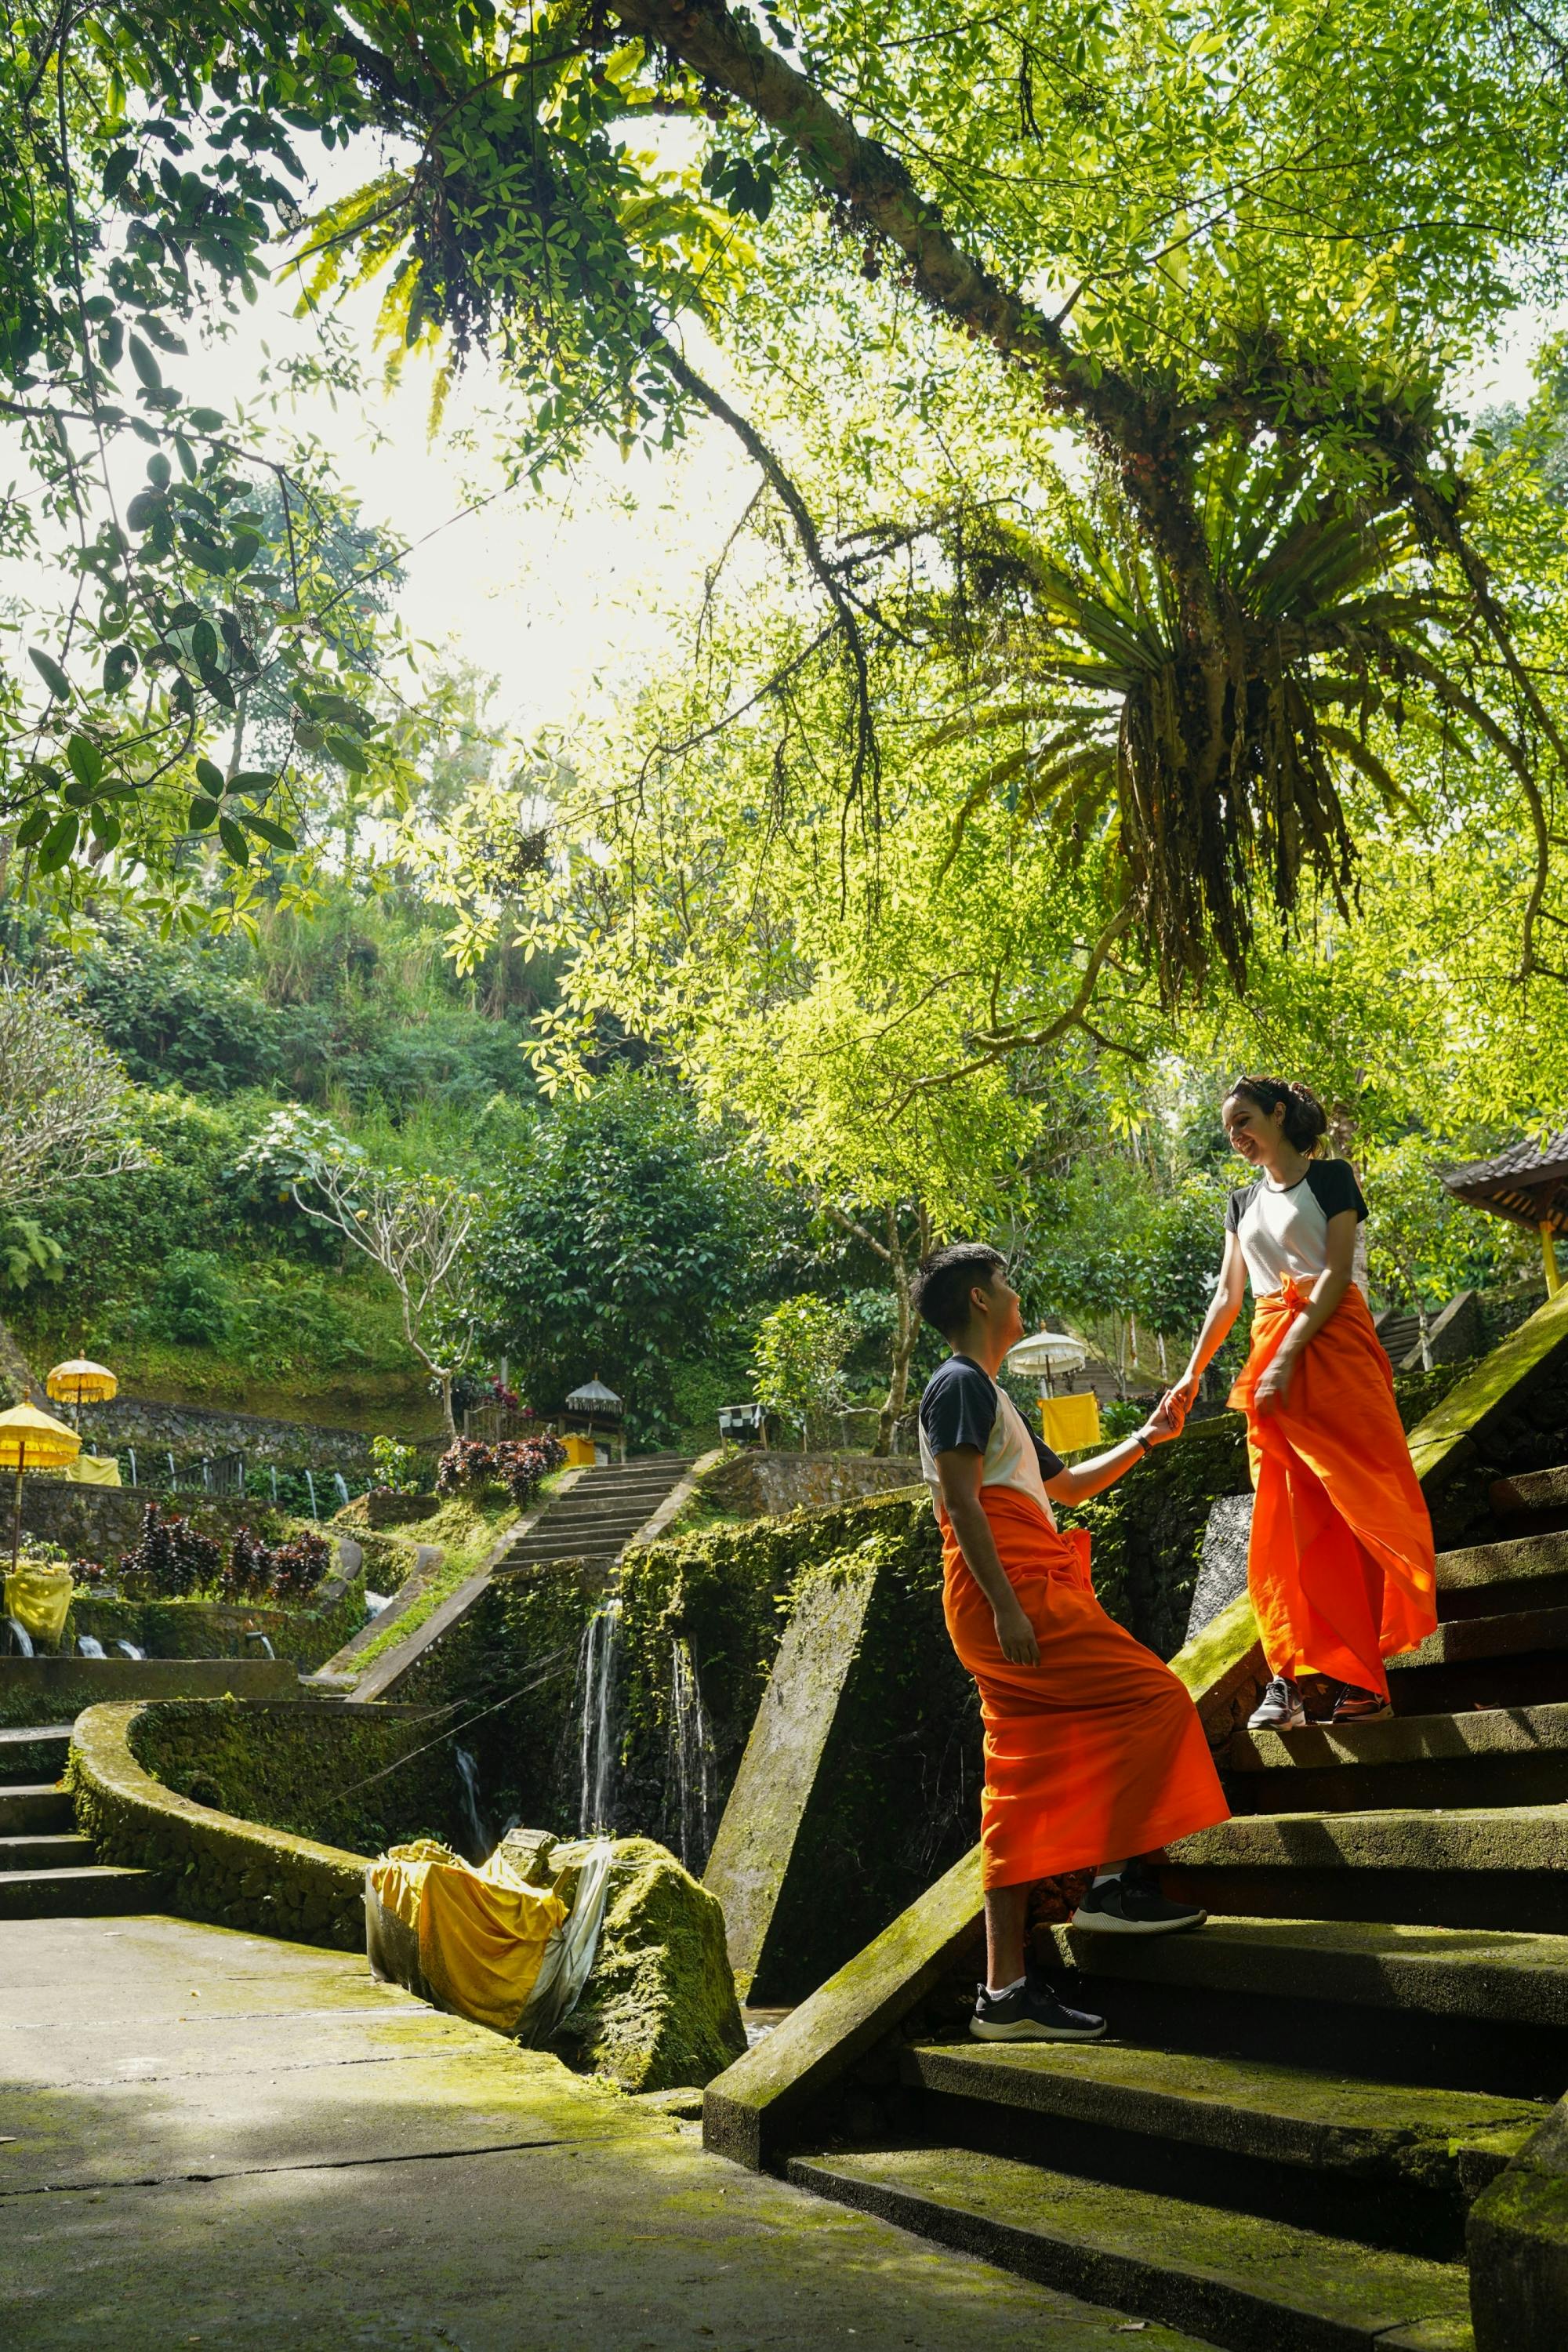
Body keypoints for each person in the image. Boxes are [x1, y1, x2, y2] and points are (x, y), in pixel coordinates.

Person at [915, 1242, 1230, 2046]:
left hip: (1010, 1586)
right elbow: (960, 1501)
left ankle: (1004, 1992)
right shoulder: (957, 1383)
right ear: (981, 1300)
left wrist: (1149, 1437)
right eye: (1006, 1281)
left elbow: (1064, 1488)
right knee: (1152, 1696)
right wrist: (1007, 1608)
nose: (1016, 1292)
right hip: (1010, 1590)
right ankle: (1113, 1884)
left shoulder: (988, 1394)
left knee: (1020, 1782)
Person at [1165, 1075, 1436, 1730]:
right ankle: (1284, 1679)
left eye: (1245, 1120)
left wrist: (1289, 1355)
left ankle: (1362, 1681)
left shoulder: (1333, 1178)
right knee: (1282, 1526)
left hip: (1335, 1349)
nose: (1236, 1137)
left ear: (1280, 1115)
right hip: (1269, 1362)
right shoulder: (1240, 1202)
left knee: (1355, 1511)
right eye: (1229, 1128)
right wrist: (1191, 1375)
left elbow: (1338, 1273)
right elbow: (1229, 1296)